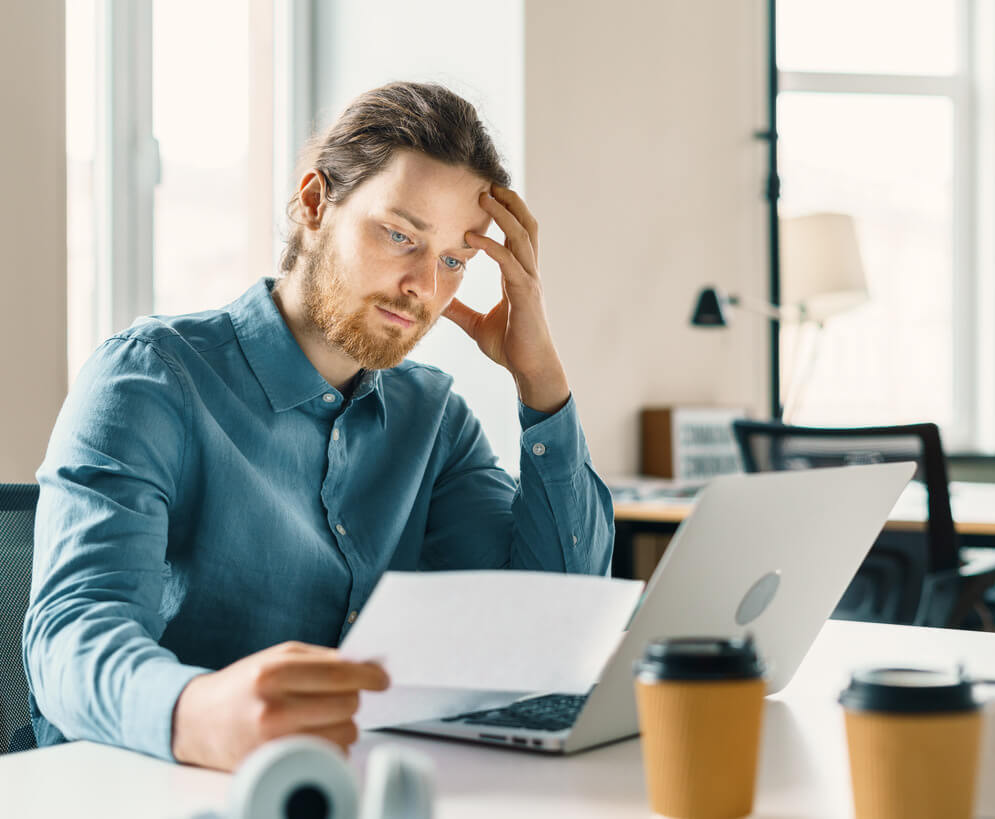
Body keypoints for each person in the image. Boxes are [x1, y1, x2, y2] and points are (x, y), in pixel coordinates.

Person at [23, 81, 614, 772]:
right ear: (314, 203)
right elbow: (68, 638)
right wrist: (199, 709)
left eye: (454, 259)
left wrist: (541, 383)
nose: (425, 284)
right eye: (401, 235)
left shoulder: (435, 422)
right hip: (147, 786)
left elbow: (551, 618)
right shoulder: (150, 380)